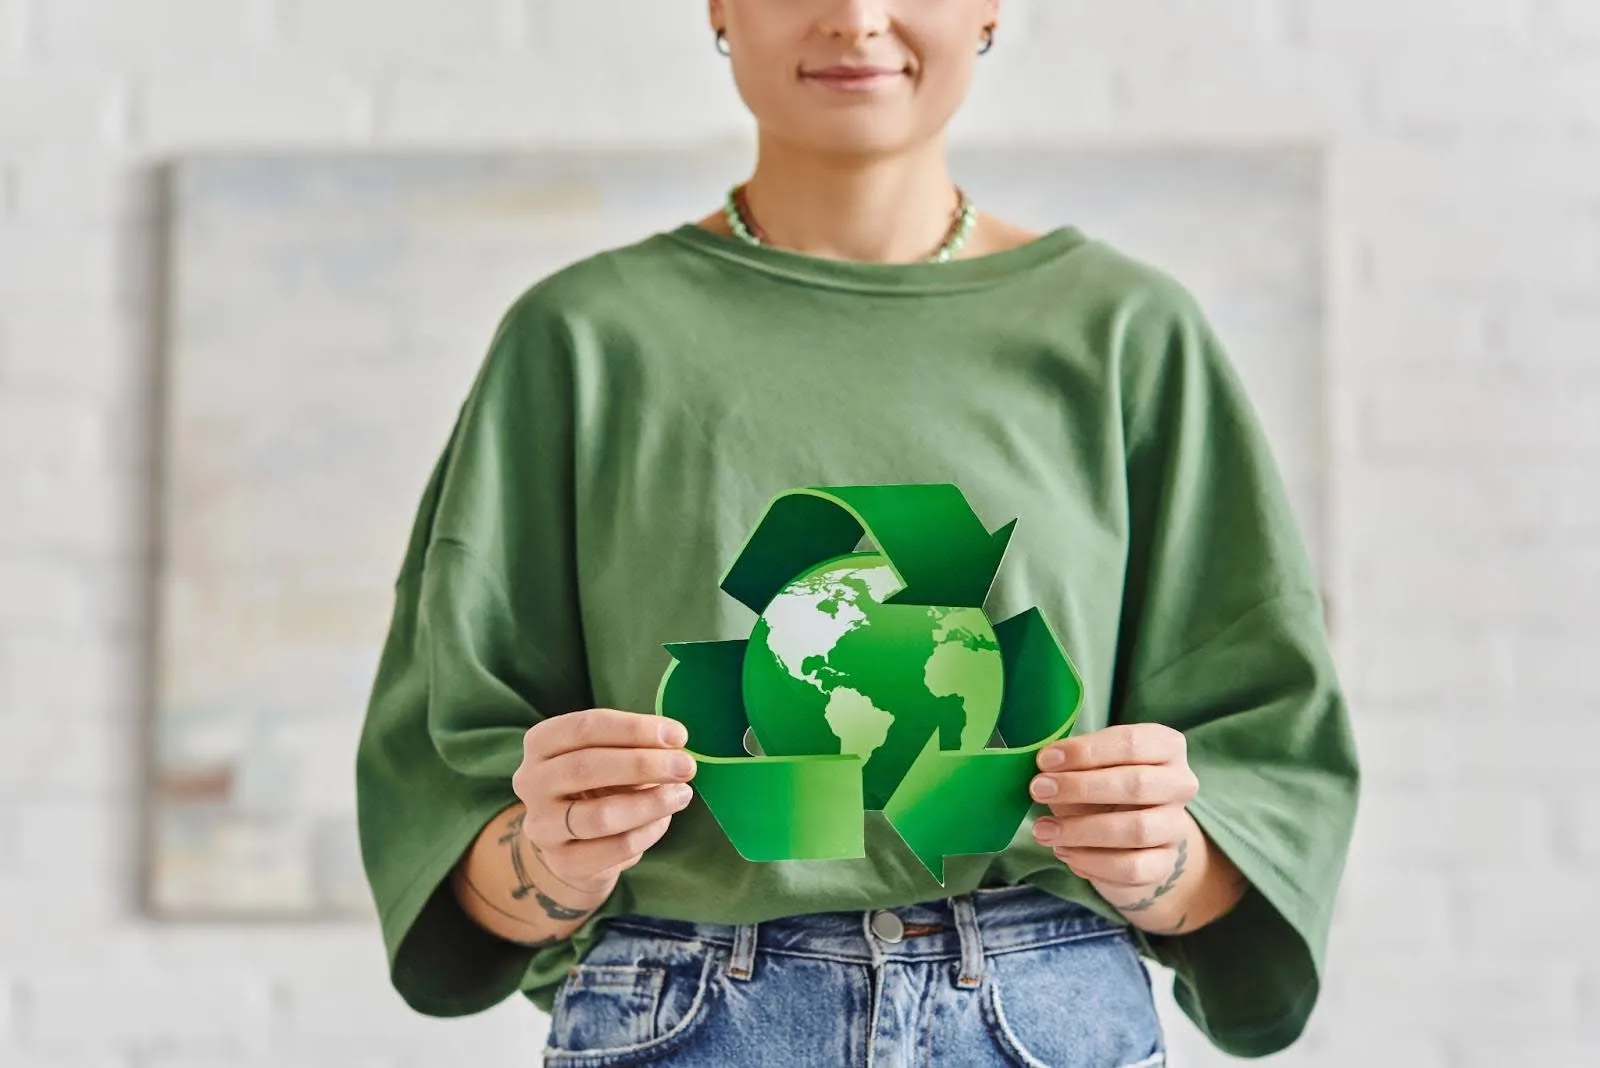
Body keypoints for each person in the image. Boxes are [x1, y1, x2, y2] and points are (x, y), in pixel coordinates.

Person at [355, 1, 1359, 1064]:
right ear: (720, 10)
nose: (854, 18)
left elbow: (1258, 772)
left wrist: (1162, 859)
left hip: (1045, 1013)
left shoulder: (1128, 334)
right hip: (684, 1010)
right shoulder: (581, 341)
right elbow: (454, 817)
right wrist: (549, 858)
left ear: (987, 10)